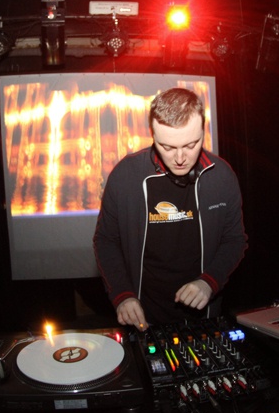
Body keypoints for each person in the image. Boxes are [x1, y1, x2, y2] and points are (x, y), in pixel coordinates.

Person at [93, 88, 247, 330]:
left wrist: (209, 281)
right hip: (143, 317)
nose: (180, 158)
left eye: (191, 145)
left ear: (203, 131)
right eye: (167, 147)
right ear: (152, 134)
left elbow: (234, 240)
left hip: (205, 318)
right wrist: (122, 294)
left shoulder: (222, 177)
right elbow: (106, 240)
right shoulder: (126, 176)